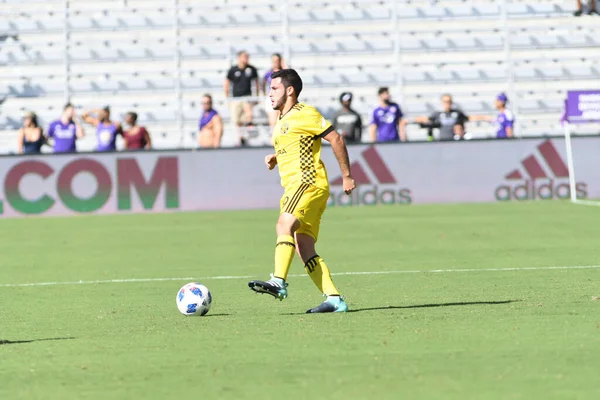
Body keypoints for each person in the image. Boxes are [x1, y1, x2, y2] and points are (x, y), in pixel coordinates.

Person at [247, 69, 356, 314]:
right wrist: (276, 157)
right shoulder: (282, 121)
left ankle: (278, 281)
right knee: (303, 245)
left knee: (283, 225)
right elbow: (297, 143)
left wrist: (347, 175)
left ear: (289, 90)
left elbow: (336, 139)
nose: (269, 93)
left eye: (274, 88)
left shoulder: (305, 113)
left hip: (307, 182)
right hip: (296, 186)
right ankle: (334, 298)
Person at [412, 94, 488, 141]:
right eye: (445, 101)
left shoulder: (457, 113)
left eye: (449, 101)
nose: (447, 104)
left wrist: (484, 117)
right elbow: (426, 119)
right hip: (443, 140)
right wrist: (413, 120)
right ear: (442, 103)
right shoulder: (438, 114)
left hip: (455, 141)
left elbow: (469, 118)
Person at [224, 50, 259, 146]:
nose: (246, 59)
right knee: (237, 120)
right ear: (239, 58)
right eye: (244, 57)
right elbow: (227, 83)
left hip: (247, 96)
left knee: (248, 115)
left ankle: (248, 135)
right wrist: (228, 98)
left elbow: (256, 83)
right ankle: (240, 139)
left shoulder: (251, 69)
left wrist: (256, 96)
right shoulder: (233, 70)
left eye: (247, 57)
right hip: (236, 98)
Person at [262, 53, 286, 129]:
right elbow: (262, 84)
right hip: (272, 98)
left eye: (277, 61)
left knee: (282, 120)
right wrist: (264, 94)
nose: (275, 63)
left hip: (283, 98)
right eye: (274, 61)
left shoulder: (284, 72)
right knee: (273, 122)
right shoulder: (269, 73)